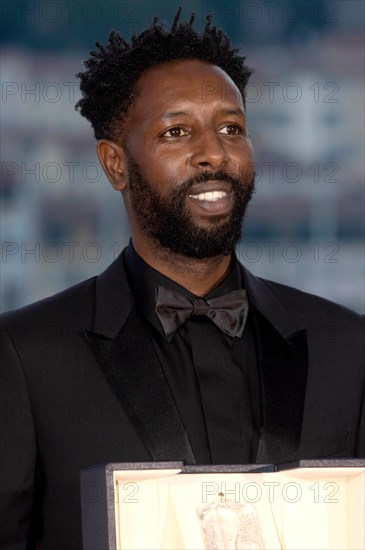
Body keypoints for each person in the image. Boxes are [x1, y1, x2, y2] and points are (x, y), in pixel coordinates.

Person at [1, 8, 364, 550]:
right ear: (115, 164)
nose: (213, 153)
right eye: (176, 132)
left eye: (230, 128)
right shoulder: (25, 355)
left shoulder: (348, 346)